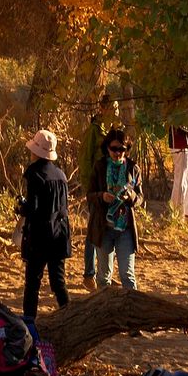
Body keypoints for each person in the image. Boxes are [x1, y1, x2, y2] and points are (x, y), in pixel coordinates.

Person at [17, 127, 72, 322]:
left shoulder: (34, 173)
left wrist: (21, 208)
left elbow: (34, 207)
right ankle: (70, 318)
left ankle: (29, 322)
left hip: (40, 235)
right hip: (60, 233)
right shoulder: (61, 174)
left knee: (32, 282)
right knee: (58, 282)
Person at [90, 124, 140, 292]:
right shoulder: (99, 167)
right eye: (114, 149)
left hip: (125, 228)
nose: (118, 153)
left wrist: (130, 197)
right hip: (104, 227)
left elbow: (140, 197)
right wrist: (102, 196)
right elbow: (90, 194)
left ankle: (132, 311)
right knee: (104, 276)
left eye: (122, 149)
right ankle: (104, 313)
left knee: (128, 275)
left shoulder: (133, 168)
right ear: (107, 148)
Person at [79, 91, 118, 286]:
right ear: (102, 109)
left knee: (110, 229)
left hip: (113, 190)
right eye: (112, 108)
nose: (115, 112)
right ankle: (88, 273)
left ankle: (106, 272)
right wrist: (90, 189)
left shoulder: (114, 131)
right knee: (94, 230)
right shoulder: (94, 130)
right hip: (96, 189)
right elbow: (85, 160)